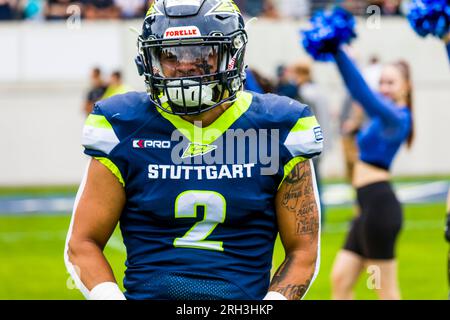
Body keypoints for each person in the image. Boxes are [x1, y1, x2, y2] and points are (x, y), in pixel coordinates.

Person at [64, 0, 323, 300]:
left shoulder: (279, 127)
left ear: (231, 55)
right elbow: (82, 243)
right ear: (150, 59)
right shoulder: (123, 124)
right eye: (170, 54)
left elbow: (303, 251)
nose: (185, 64)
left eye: (201, 52)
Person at [329, 46, 414, 300]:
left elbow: (360, 92)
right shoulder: (382, 117)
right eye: (382, 82)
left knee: (384, 290)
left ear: (406, 86)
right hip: (364, 207)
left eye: (391, 82)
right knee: (340, 280)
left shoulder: (397, 118)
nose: (385, 87)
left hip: (379, 208)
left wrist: (338, 53)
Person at [291, 58, 331, 222]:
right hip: (322, 140)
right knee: (316, 182)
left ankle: (317, 216)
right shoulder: (318, 90)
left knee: (311, 184)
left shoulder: (305, 92)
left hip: (311, 142)